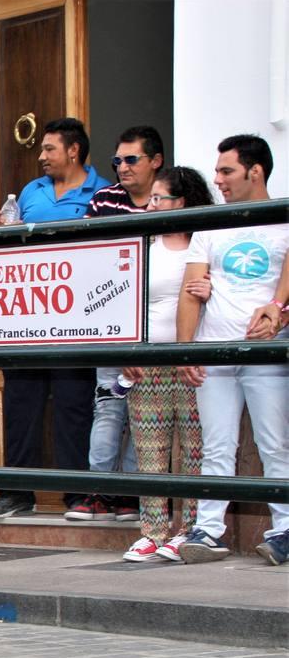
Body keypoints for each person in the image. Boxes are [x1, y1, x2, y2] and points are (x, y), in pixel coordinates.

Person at [0, 117, 104, 519]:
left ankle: (78, 495)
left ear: (73, 150)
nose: (42, 156)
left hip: (77, 316)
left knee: (73, 406)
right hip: (30, 317)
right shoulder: (32, 190)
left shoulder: (100, 191)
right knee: (21, 403)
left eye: (50, 148)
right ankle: (17, 493)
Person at [176, 134, 288, 566]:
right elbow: (191, 289)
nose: (217, 180)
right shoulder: (211, 225)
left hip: (267, 351)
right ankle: (208, 531)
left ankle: (285, 530)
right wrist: (186, 351)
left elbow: (284, 298)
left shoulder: (283, 219)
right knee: (216, 444)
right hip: (216, 351)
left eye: (227, 171)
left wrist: (279, 315)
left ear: (254, 171)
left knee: (275, 442)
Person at [70, 126, 168, 522]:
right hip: (112, 322)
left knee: (146, 411)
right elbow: (89, 258)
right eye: (117, 161)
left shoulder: (169, 196)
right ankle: (100, 492)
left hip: (161, 324)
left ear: (155, 160)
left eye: (131, 160)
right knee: (109, 406)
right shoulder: (104, 199)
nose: (122, 168)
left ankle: (132, 494)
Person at [117, 166, 212, 563]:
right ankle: (152, 531)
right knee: (150, 449)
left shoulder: (206, 242)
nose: (151, 206)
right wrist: (128, 351)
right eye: (151, 199)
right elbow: (121, 300)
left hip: (192, 361)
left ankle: (187, 530)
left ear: (183, 202)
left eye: (159, 199)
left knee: (194, 451)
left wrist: (212, 289)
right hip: (149, 360)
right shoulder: (143, 246)